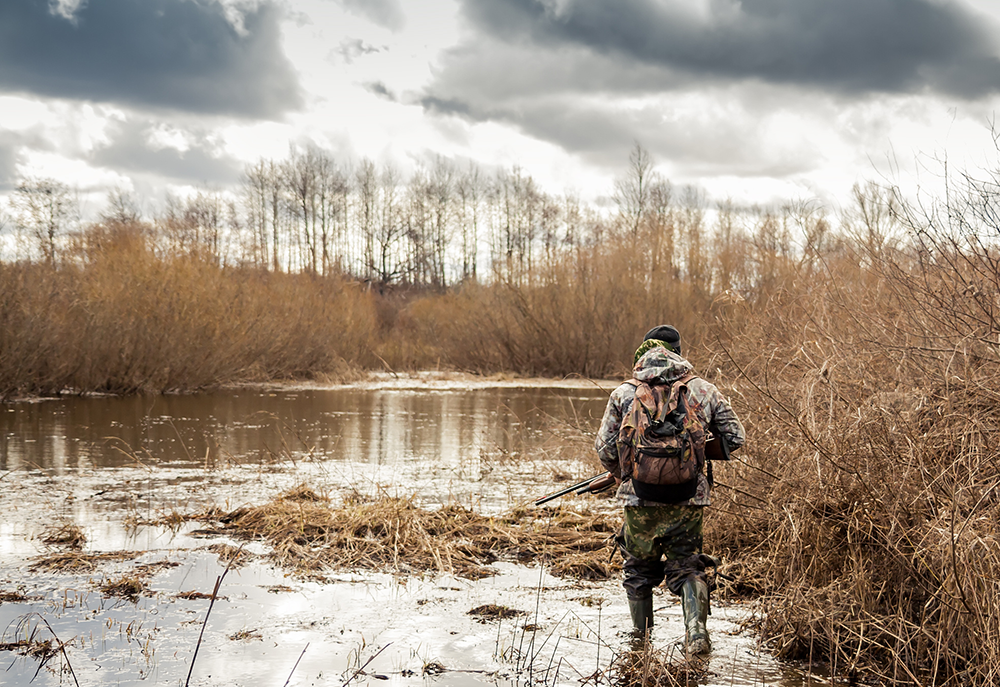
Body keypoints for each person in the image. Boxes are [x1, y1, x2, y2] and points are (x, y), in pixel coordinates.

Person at [595, 325, 745, 655]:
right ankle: (695, 632)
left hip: (639, 500)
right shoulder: (703, 390)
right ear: (679, 351)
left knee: (638, 569)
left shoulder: (624, 393)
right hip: (689, 497)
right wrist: (698, 450)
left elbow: (604, 447)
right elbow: (736, 437)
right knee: (688, 566)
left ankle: (639, 642)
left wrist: (621, 472)